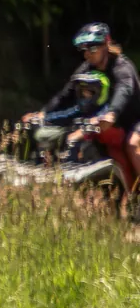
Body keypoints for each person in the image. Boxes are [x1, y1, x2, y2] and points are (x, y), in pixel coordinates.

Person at [23, 23, 140, 187]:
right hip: (102, 123)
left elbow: (124, 90)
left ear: (106, 44)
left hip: (132, 121)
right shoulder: (86, 69)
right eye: (84, 49)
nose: (87, 54)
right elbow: (65, 95)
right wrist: (43, 113)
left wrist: (112, 113)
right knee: (71, 137)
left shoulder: (122, 67)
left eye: (92, 48)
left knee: (133, 144)